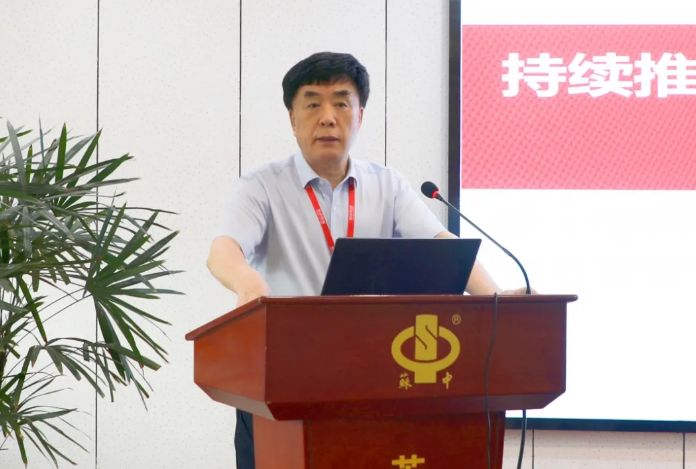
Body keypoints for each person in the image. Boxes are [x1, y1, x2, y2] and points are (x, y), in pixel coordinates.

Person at [207, 51, 531, 469]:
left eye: (342, 103)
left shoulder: (387, 185)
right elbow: (223, 249)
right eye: (312, 104)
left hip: (372, 378)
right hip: (285, 376)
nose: (328, 118)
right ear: (292, 119)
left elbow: (443, 247)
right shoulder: (262, 186)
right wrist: (248, 284)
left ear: (360, 115)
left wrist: (497, 299)